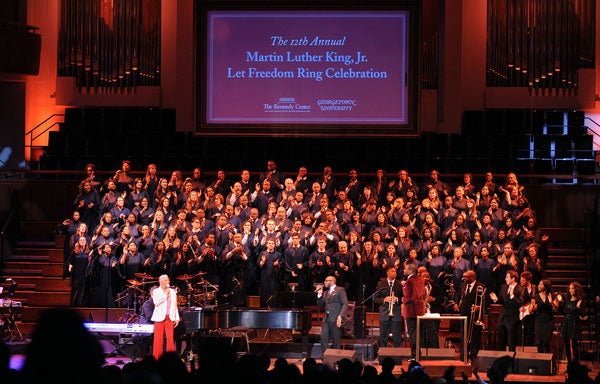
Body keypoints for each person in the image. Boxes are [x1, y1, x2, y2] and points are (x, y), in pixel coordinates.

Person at [454, 270, 486, 359]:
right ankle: (463, 356)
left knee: (475, 336)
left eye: (465, 276)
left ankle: (473, 356)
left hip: (475, 316)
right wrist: (456, 303)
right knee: (464, 335)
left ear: (472, 277)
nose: (463, 278)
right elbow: (458, 295)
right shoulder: (463, 285)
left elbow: (485, 301)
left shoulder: (481, 286)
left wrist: (479, 307)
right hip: (464, 314)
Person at [489, 270, 523, 352]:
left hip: (513, 318)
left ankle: (512, 360)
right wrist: (495, 299)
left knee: (511, 341)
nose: (505, 279)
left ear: (513, 278)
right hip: (503, 317)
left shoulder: (520, 289)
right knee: (501, 339)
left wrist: (512, 296)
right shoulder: (504, 287)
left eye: (507, 277)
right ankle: (501, 357)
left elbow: (520, 304)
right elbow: (501, 300)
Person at [316, 275, 348, 355]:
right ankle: (326, 358)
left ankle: (336, 359)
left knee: (336, 340)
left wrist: (340, 316)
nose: (324, 282)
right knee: (323, 338)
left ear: (332, 281)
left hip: (336, 318)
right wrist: (319, 295)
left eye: (326, 281)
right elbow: (320, 305)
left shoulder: (340, 290)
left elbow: (345, 304)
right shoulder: (326, 293)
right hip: (326, 319)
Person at [151, 274, 180, 360]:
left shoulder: (172, 291)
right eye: (166, 280)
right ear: (161, 281)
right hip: (159, 318)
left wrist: (177, 317)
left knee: (170, 339)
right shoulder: (156, 291)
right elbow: (156, 302)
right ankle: (156, 359)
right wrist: (165, 295)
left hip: (169, 317)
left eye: (168, 280)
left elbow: (175, 305)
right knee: (158, 339)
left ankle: (170, 360)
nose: (168, 282)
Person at [554, 281, 584, 363]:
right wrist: (560, 302)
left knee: (574, 344)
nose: (570, 290)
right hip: (566, 322)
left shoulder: (580, 300)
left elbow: (582, 313)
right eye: (570, 288)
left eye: (572, 288)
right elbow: (562, 311)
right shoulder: (567, 299)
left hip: (575, 323)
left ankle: (576, 364)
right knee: (566, 344)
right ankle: (569, 364)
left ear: (576, 289)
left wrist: (577, 307)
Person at [374, 266, 404, 348]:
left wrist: (397, 299)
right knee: (383, 336)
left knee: (397, 336)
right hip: (384, 313)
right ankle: (384, 354)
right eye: (392, 271)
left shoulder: (399, 284)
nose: (395, 273)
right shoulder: (381, 284)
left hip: (396, 313)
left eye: (395, 271)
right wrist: (384, 299)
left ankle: (397, 355)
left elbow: (404, 298)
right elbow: (375, 299)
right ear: (387, 273)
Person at [401, 263, 426, 359]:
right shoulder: (419, 279)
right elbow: (422, 292)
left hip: (411, 311)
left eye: (405, 269)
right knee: (417, 334)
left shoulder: (410, 281)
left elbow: (410, 296)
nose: (404, 270)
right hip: (419, 311)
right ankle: (418, 354)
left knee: (412, 334)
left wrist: (401, 300)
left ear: (411, 271)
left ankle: (415, 356)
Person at [530, 279, 556, 354]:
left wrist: (551, 302)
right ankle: (540, 360)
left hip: (549, 320)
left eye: (541, 284)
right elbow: (531, 310)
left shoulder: (551, 295)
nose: (539, 286)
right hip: (539, 320)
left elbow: (555, 309)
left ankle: (548, 361)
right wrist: (533, 306)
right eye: (539, 284)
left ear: (546, 286)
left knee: (546, 342)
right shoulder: (535, 297)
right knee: (539, 341)